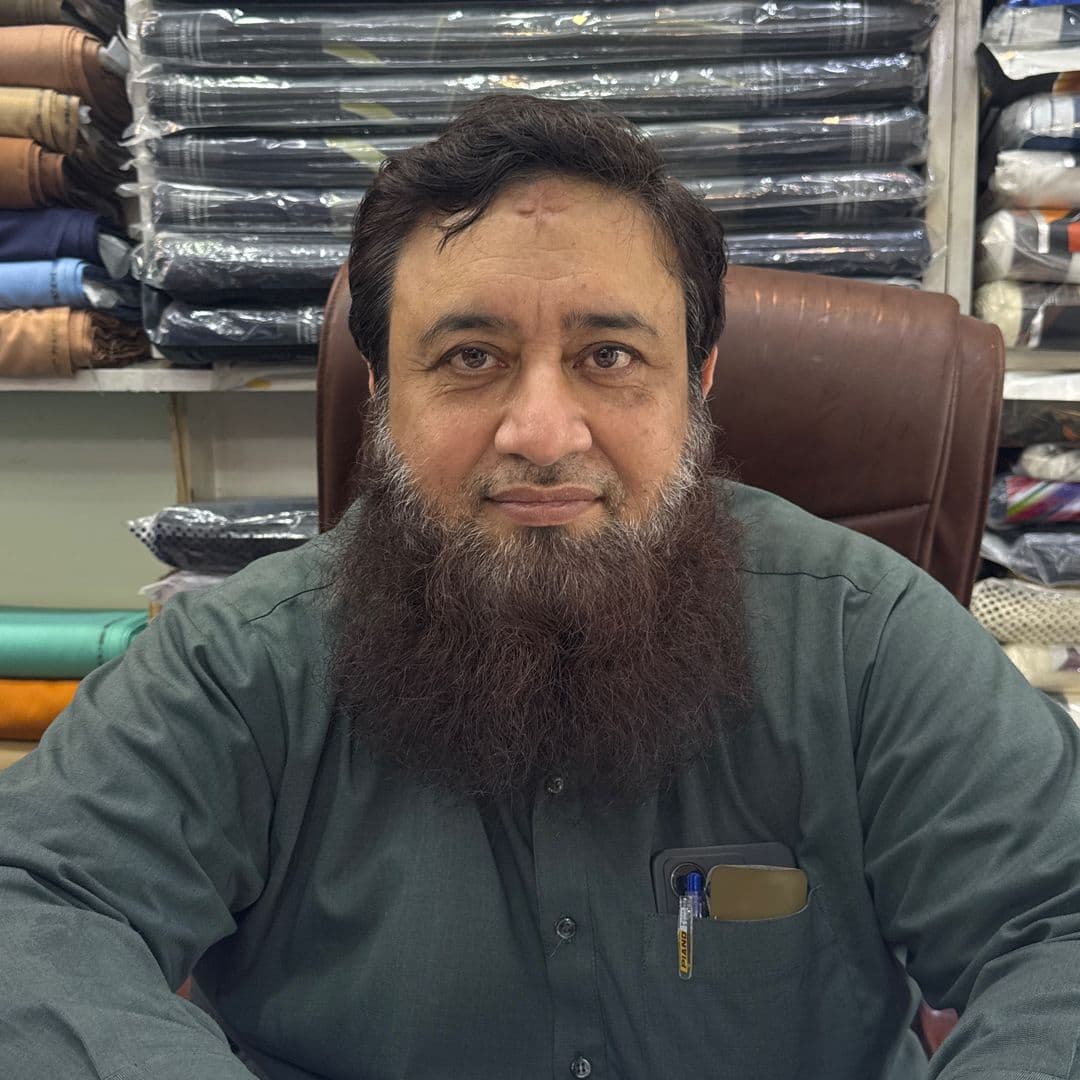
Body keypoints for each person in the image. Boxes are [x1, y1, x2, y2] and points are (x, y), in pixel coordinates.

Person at [1, 93, 1079, 1080]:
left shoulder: (865, 639)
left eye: (610, 355)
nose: (544, 434)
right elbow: (36, 904)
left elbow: (1059, 922)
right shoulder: (241, 669)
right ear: (383, 392)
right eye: (470, 357)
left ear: (697, 381)